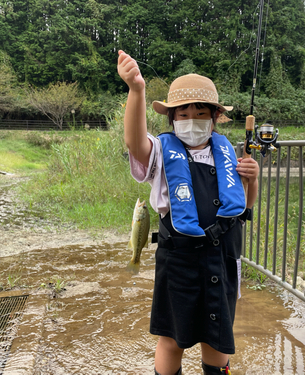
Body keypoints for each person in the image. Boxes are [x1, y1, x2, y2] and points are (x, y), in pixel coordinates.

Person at [117, 50, 259, 375]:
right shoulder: (160, 153)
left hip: (223, 256)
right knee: (172, 339)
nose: (191, 118)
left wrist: (252, 180)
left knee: (218, 338)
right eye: (183, 112)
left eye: (201, 111)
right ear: (172, 118)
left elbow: (245, 208)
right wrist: (136, 90)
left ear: (214, 116)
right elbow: (134, 142)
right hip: (179, 258)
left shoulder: (228, 154)